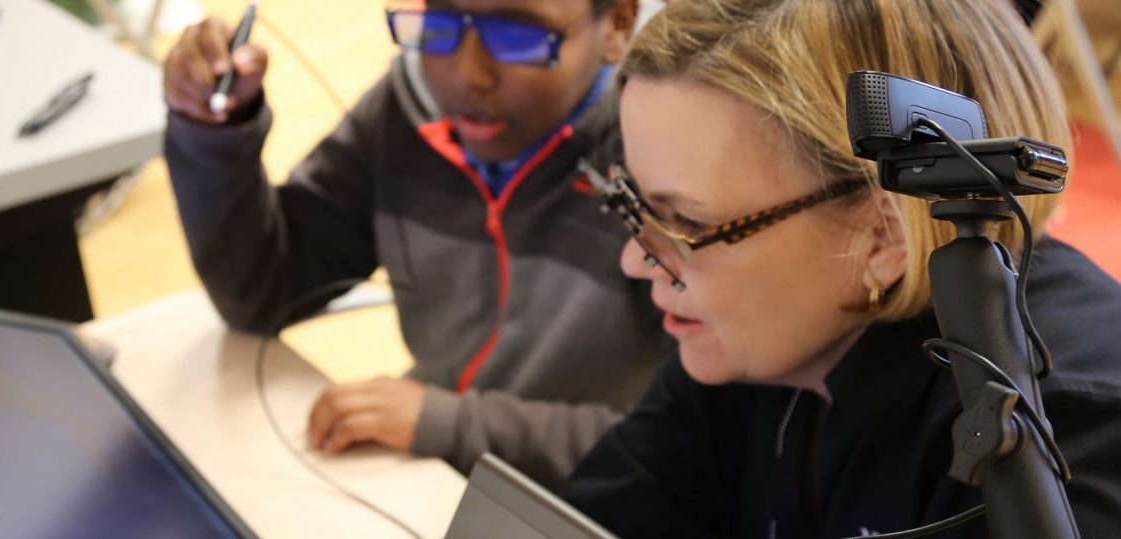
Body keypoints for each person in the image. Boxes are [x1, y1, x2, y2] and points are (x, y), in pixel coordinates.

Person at [560, 0, 1121, 536]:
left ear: (883, 232)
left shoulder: (1066, 435)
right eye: (631, 203)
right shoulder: (762, 346)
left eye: (684, 220)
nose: (635, 259)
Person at [161, 0, 670, 487]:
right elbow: (263, 293)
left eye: (518, 36)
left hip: (590, 500)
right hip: (434, 464)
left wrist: (450, 424)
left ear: (619, 24)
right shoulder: (407, 108)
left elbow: (686, 452)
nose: (469, 74)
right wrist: (215, 132)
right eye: (440, 22)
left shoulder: (670, 167)